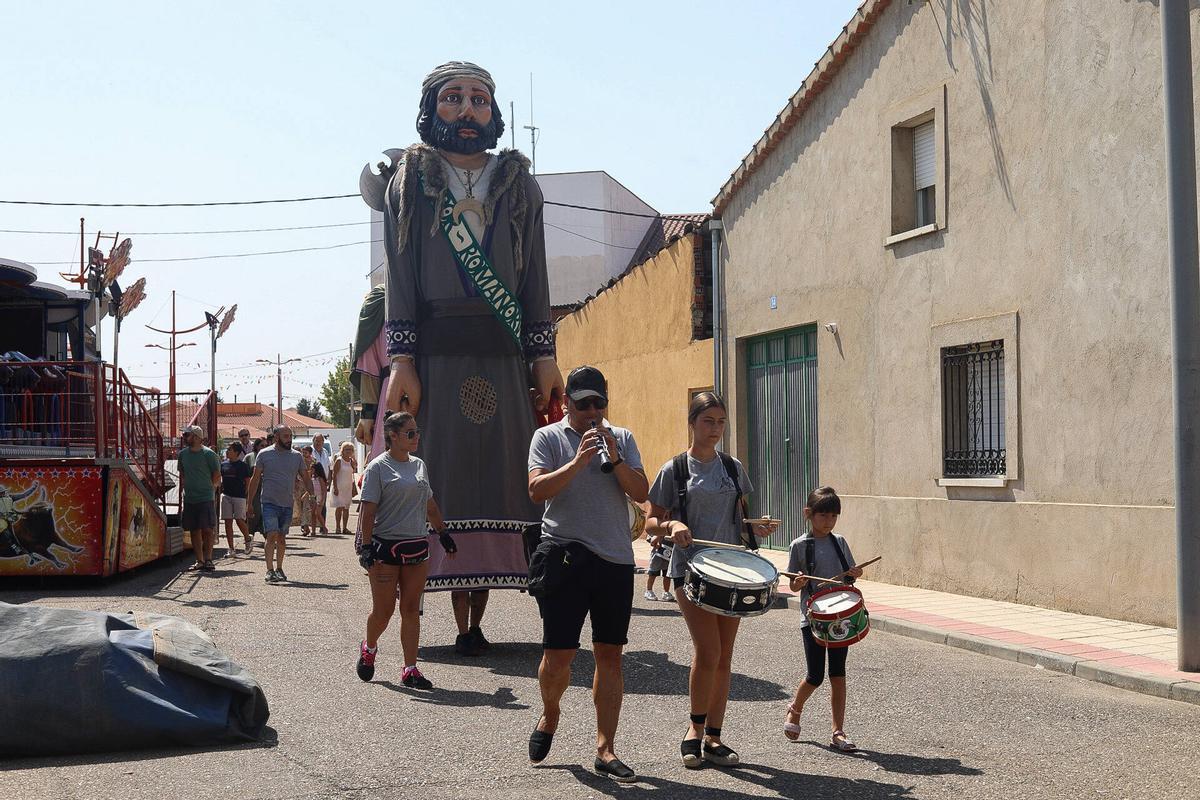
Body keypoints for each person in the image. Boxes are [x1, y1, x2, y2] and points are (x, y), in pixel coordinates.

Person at [358, 61, 564, 658]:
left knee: (504, 479)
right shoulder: (412, 180)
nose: (468, 109)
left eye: (479, 99)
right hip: (436, 354)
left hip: (503, 353)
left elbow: (537, 278)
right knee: (441, 473)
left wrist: (543, 353)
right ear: (432, 108)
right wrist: (402, 358)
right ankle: (449, 611)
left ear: (493, 111)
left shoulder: (519, 183)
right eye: (454, 98)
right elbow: (400, 276)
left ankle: (483, 610)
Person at [526, 366, 647, 783]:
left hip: (614, 559)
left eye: (599, 403)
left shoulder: (623, 438)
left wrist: (614, 458)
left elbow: (641, 492)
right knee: (559, 656)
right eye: (584, 405)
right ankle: (550, 714)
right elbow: (537, 490)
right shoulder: (548, 437)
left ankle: (606, 748)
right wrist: (579, 461)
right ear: (567, 405)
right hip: (564, 555)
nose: (593, 412)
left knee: (609, 654)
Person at [646, 392, 778, 768]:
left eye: (721, 422)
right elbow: (650, 523)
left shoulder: (733, 468)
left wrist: (758, 528)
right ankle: (694, 730)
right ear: (692, 422)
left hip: (732, 572)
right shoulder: (674, 469)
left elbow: (742, 518)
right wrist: (672, 524)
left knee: (724, 657)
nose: (716, 429)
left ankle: (715, 738)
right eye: (708, 422)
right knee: (708, 652)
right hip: (690, 570)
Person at [356, 411, 455, 689]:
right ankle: (370, 646)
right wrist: (365, 547)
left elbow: (430, 504)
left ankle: (410, 669)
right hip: (384, 549)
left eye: (417, 432)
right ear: (393, 436)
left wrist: (443, 533)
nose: (416, 437)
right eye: (410, 433)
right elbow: (368, 511)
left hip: (416, 548)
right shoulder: (378, 468)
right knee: (384, 611)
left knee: (411, 609)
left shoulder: (419, 465)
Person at [783, 486, 864, 752]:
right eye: (823, 516)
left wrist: (854, 573)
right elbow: (794, 587)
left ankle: (838, 731)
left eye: (833, 517)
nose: (828, 522)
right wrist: (799, 581)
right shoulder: (799, 546)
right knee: (815, 675)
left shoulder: (839, 542)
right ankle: (795, 709)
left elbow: (848, 576)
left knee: (838, 674)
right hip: (813, 619)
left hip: (839, 617)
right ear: (809, 514)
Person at [246, 426, 310, 584]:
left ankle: (279, 568)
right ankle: (269, 570)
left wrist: (313, 497)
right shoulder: (264, 454)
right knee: (272, 534)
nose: (289, 439)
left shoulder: (296, 456)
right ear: (276, 437)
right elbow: (254, 479)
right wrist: (249, 503)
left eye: (290, 436)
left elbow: (306, 477)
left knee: (281, 537)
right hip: (269, 501)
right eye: (285, 436)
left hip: (287, 503)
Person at [178, 425, 221, 572]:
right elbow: (182, 473)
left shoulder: (209, 454)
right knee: (194, 530)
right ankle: (200, 561)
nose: (184, 438)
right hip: (189, 497)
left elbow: (216, 474)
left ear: (196, 437)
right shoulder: (182, 454)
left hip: (205, 497)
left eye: (187, 435)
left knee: (208, 529)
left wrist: (211, 489)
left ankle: (208, 559)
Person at [220, 442, 254, 556]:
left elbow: (247, 480)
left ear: (236, 453)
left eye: (230, 449)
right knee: (227, 521)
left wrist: (246, 493)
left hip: (239, 496)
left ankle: (248, 538)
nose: (227, 451)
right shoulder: (223, 464)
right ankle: (231, 548)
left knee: (239, 519)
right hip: (226, 495)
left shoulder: (243, 465)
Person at [299, 446, 327, 536]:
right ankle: (313, 530)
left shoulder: (320, 478)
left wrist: (323, 499)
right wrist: (306, 494)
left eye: (312, 469)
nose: (311, 470)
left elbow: (324, 490)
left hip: (319, 498)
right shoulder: (312, 478)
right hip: (313, 496)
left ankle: (324, 527)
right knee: (312, 514)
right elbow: (310, 488)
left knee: (317, 513)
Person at [330, 441, 357, 535]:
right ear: (343, 450)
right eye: (346, 449)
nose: (348, 451)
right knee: (339, 507)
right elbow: (334, 475)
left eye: (350, 449)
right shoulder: (339, 460)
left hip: (348, 487)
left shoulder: (351, 461)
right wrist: (335, 487)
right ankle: (338, 527)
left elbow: (353, 474)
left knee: (346, 508)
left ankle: (345, 528)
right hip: (339, 486)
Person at [643, 531, 673, 602]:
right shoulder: (656, 527)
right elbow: (650, 539)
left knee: (667, 574)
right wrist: (656, 540)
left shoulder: (672, 526)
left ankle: (666, 592)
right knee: (653, 573)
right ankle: (649, 590)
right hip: (657, 553)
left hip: (669, 552)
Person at [311, 433, 332, 534]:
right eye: (317, 440)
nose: (319, 443)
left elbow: (328, 466)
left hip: (324, 482)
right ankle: (311, 527)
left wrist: (329, 479)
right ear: (313, 441)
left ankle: (322, 527)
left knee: (322, 505)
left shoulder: (325, 451)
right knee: (312, 507)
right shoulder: (310, 452)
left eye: (321, 441)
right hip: (313, 482)